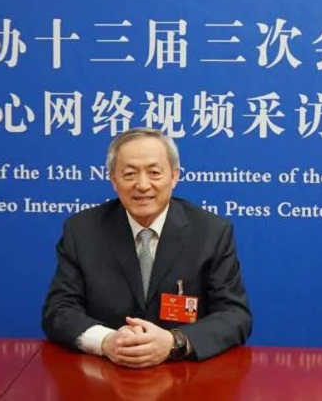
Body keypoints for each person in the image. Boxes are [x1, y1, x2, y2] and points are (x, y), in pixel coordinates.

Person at [42, 127, 252, 368]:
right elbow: (59, 310)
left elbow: (235, 316)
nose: (142, 185)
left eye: (154, 172)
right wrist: (106, 341)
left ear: (174, 176)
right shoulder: (82, 230)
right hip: (105, 371)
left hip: (183, 374)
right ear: (113, 180)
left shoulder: (211, 232)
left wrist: (175, 342)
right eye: (130, 174)